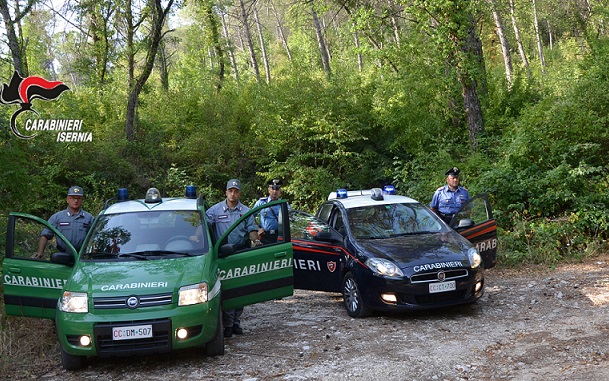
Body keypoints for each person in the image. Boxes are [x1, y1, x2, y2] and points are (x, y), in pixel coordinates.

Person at [205, 178, 260, 338]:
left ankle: (236, 323)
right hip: (223, 257)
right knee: (227, 290)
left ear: (239, 193)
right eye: (230, 191)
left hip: (241, 255)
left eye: (236, 191)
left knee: (240, 290)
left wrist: (255, 240)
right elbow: (204, 227)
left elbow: (251, 229)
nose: (233, 194)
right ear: (226, 192)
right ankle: (227, 325)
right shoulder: (215, 211)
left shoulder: (246, 211)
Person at [34, 186, 94, 258]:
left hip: (82, 257)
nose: (76, 201)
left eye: (78, 198)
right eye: (73, 198)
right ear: (67, 199)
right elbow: (45, 235)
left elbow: (95, 238)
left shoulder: (89, 218)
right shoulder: (57, 217)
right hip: (61, 256)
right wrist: (40, 252)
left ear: (82, 200)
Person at [253, 179, 290, 244]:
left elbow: (291, 218)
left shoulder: (284, 204)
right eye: (272, 189)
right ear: (269, 190)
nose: (274, 191)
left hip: (280, 236)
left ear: (280, 191)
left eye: (277, 189)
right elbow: (250, 217)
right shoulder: (261, 203)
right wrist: (258, 228)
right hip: (265, 236)